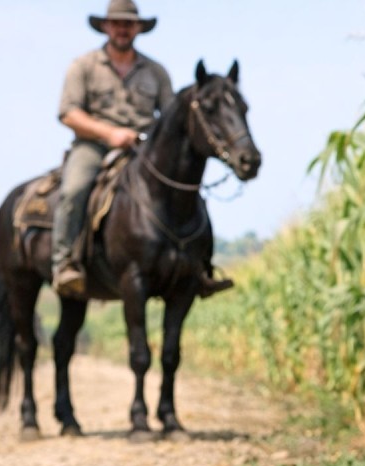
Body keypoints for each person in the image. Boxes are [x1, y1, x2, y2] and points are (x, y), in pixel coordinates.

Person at [52, 0, 232, 298]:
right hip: (94, 146)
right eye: (117, 23)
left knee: (188, 193)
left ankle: (201, 268)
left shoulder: (155, 71)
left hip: (144, 148)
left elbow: (172, 114)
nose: (123, 29)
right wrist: (110, 133)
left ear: (138, 28)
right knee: (74, 188)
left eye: (129, 24)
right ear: (106, 26)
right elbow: (68, 113)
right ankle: (65, 262)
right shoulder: (84, 66)